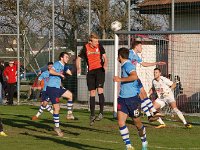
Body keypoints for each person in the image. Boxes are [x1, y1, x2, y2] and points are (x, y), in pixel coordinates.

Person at [113, 47, 148, 150]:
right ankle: (128, 146)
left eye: (117, 56)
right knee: (120, 122)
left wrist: (120, 79)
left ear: (119, 56)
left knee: (137, 124)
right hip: (122, 99)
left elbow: (134, 76)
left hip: (132, 100)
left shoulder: (128, 65)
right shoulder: (124, 65)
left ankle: (144, 142)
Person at [76, 33, 108, 126]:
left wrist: (105, 64)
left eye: (97, 41)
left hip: (100, 71)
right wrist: (78, 67)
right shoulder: (85, 47)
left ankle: (101, 112)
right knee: (92, 93)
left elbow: (105, 58)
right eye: (95, 41)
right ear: (90, 41)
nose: (97, 42)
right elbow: (78, 58)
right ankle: (92, 115)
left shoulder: (99, 46)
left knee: (100, 90)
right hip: (90, 72)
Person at [129, 41, 165, 121]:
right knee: (142, 95)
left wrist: (156, 63)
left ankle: (149, 115)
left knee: (143, 96)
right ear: (136, 46)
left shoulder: (136, 55)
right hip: (131, 78)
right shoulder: (129, 53)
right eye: (141, 46)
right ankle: (153, 112)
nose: (142, 48)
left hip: (135, 77)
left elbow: (144, 64)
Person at [46, 52, 75, 137]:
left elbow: (70, 73)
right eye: (66, 57)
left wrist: (76, 65)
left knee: (70, 95)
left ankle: (69, 114)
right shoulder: (57, 63)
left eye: (68, 57)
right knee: (56, 108)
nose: (67, 58)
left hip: (58, 88)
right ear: (61, 58)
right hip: (52, 88)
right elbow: (51, 71)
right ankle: (57, 127)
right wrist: (60, 74)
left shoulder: (64, 66)